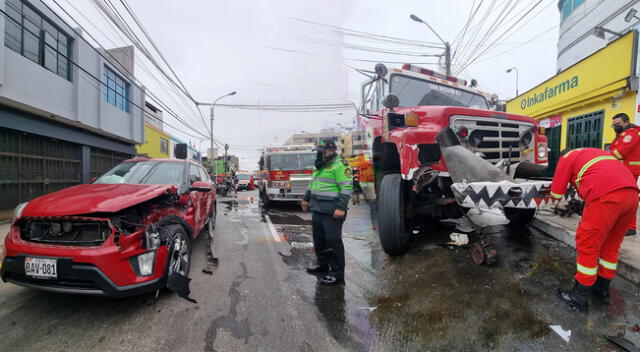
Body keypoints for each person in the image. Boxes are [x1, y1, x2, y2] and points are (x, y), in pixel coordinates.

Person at [550, 148, 639, 311]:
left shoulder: (567, 157)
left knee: (588, 244)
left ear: (561, 156)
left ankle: (579, 296)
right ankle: (602, 290)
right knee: (611, 245)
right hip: (632, 197)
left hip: (607, 197)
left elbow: (557, 190)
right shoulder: (596, 153)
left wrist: (555, 201)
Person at [301, 139, 353, 285]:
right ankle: (322, 265)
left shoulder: (340, 166)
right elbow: (312, 185)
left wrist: (341, 208)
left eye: (321, 152)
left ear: (330, 150)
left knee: (333, 242)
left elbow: (346, 188)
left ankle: (337, 274)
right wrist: (306, 199)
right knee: (320, 241)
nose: (318, 155)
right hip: (317, 210)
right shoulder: (319, 167)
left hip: (332, 211)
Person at [610, 112, 640, 236]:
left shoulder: (632, 134)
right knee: (621, 198)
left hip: (630, 170)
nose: (616, 126)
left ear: (626, 122)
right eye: (614, 125)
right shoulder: (622, 134)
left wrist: (604, 158)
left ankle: (631, 227)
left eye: (618, 124)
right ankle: (621, 224)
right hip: (622, 170)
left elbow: (621, 152)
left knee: (629, 199)